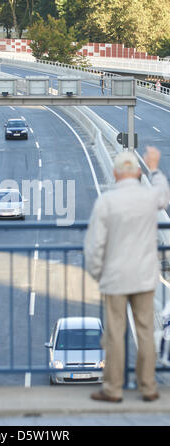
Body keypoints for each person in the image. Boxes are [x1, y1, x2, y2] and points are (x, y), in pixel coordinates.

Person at [84, 147, 170, 403]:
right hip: (144, 276)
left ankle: (113, 389)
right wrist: (154, 168)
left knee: (115, 333)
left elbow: (95, 245)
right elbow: (164, 195)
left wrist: (98, 274)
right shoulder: (148, 198)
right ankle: (148, 387)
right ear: (139, 172)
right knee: (145, 331)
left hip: (115, 277)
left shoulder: (106, 202)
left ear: (115, 174)